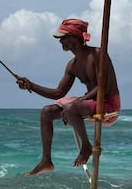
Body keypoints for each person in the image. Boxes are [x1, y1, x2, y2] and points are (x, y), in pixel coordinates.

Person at [16, 18, 120, 177]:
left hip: (108, 104)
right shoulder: (72, 65)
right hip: (89, 103)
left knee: (72, 107)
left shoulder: (98, 54)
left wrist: (79, 102)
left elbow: (103, 88)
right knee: (47, 112)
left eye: (63, 37)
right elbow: (58, 93)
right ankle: (46, 160)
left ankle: (86, 147)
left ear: (75, 37)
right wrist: (31, 85)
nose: (60, 41)